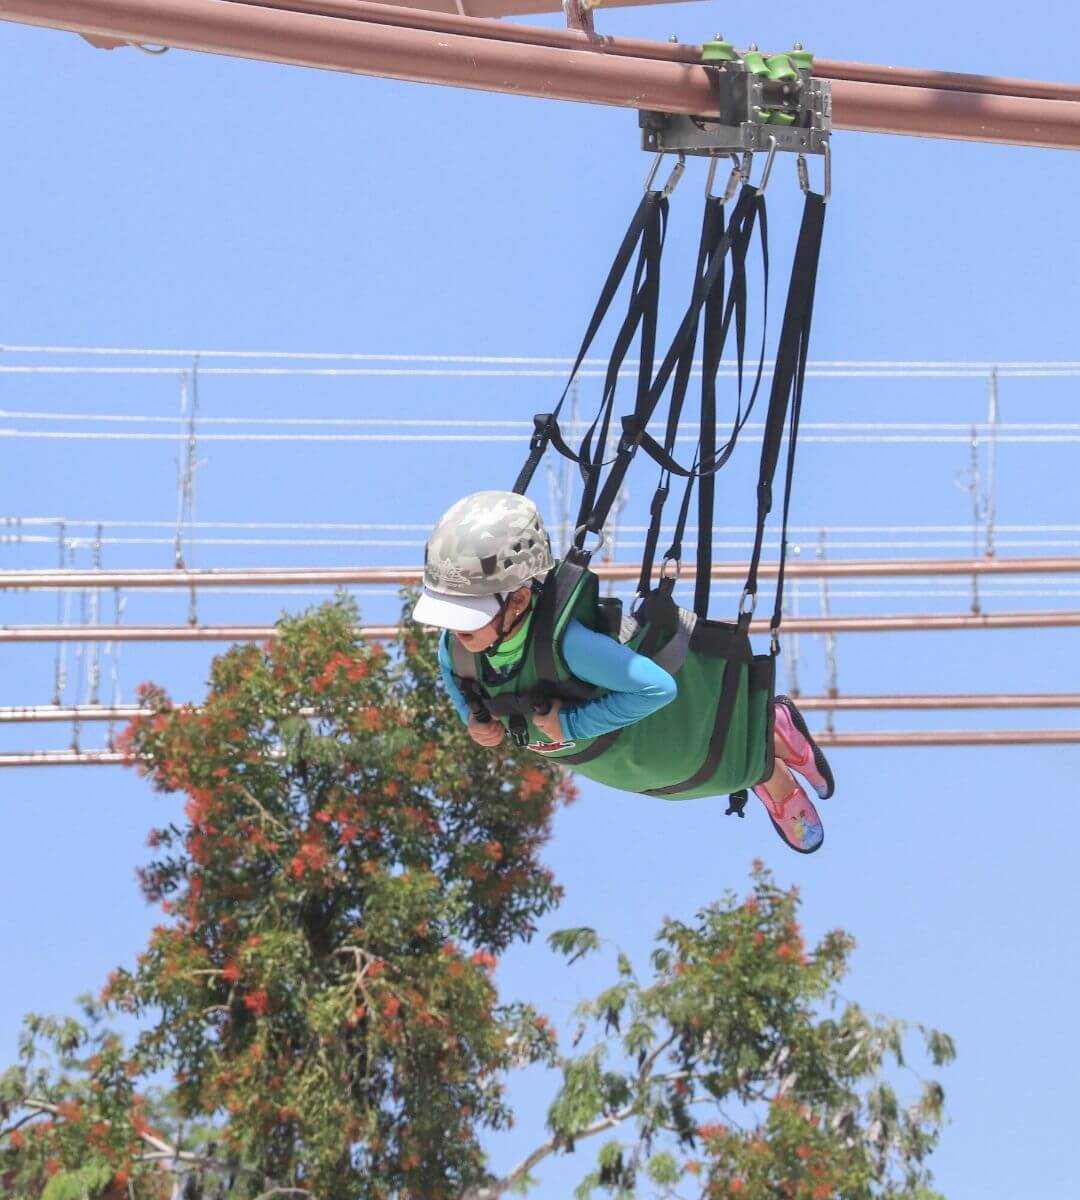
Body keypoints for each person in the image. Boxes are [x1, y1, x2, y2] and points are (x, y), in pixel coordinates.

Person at [412, 490, 833, 854]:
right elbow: (452, 670)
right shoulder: (461, 647)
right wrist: (472, 717)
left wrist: (574, 723)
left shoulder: (570, 646)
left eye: (467, 615)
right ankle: (772, 746)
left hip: (660, 740)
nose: (454, 628)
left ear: (519, 600)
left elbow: (658, 688)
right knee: (708, 774)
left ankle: (771, 753)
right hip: (624, 765)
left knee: (724, 766)